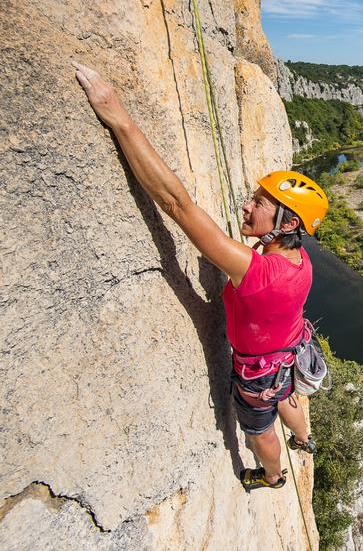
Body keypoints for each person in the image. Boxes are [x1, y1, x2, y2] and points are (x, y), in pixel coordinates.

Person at [73, 61, 327, 490]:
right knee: (286, 395)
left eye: (259, 204)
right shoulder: (300, 259)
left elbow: (177, 204)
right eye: (253, 197)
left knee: (260, 428)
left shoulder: (257, 270)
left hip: (258, 371)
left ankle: (272, 475)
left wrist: (119, 118)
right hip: (289, 350)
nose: (247, 205)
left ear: (287, 223)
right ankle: (304, 438)